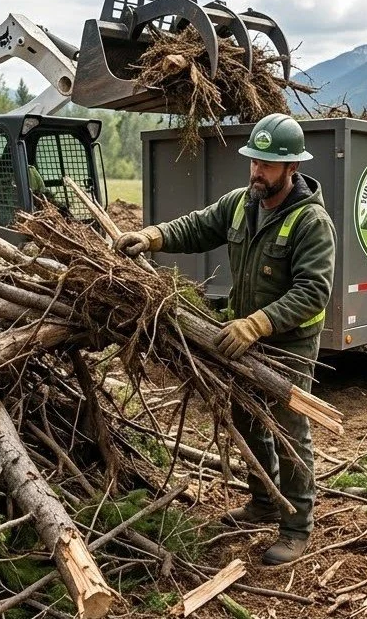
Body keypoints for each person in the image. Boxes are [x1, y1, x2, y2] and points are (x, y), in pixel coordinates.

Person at [114, 113, 336, 564]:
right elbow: (198, 226)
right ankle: (263, 501)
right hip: (246, 334)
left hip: (289, 343)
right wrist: (152, 236)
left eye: (267, 165)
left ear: (292, 167)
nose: (257, 171)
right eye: (253, 161)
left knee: (288, 430)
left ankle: (296, 527)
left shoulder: (311, 222)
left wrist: (257, 324)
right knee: (246, 418)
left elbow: (313, 291)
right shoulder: (242, 203)